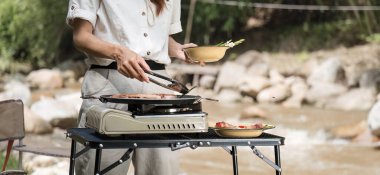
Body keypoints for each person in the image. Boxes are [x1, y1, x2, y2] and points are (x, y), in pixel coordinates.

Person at [66, 0, 196, 174]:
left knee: (162, 171)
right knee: (102, 168)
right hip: (109, 85)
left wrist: (179, 50)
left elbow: (156, 36)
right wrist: (118, 52)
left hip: (159, 91)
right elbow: (81, 36)